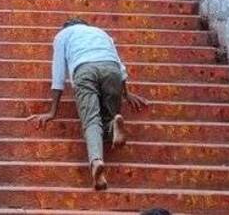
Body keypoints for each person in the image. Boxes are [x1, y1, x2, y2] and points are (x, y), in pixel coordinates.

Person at [28, 18, 148, 191]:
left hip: (84, 69)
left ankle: (97, 162)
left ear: (66, 26)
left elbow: (58, 73)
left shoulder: (63, 35)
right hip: (111, 69)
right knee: (108, 119)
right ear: (85, 25)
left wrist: (52, 111)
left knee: (91, 121)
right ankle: (114, 125)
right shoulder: (101, 32)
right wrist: (126, 93)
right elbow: (119, 63)